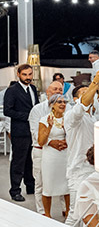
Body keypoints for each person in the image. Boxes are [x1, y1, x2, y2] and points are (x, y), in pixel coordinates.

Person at [63, 68, 99, 225]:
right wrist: (94, 82)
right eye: (84, 92)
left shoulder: (95, 117)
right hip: (78, 170)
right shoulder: (72, 116)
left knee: (91, 212)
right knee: (75, 214)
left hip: (95, 169)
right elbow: (83, 105)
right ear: (76, 99)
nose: (89, 94)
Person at [5, 63, 39, 202]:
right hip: (19, 131)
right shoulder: (12, 90)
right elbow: (8, 110)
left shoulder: (33, 88)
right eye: (24, 74)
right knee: (18, 162)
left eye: (30, 74)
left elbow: (35, 107)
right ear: (18, 75)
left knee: (30, 160)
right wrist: (27, 116)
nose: (28, 77)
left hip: (32, 130)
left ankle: (30, 186)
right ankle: (15, 191)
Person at [29, 81, 64, 214]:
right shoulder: (37, 109)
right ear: (47, 92)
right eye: (54, 89)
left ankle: (65, 210)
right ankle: (42, 212)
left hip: (61, 151)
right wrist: (51, 142)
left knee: (63, 180)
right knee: (40, 183)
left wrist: (64, 141)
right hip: (41, 150)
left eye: (60, 90)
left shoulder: (66, 108)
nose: (57, 92)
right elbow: (34, 131)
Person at [38, 94, 70, 219]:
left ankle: (68, 213)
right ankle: (47, 214)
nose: (63, 104)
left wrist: (66, 140)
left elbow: (74, 135)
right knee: (48, 186)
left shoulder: (67, 118)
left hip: (65, 155)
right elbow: (40, 141)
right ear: (52, 105)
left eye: (64, 102)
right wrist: (49, 127)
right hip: (50, 157)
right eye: (59, 102)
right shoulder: (44, 119)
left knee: (66, 185)